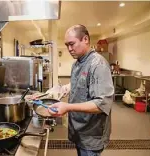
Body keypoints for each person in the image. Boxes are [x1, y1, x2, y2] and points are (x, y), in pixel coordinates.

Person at [48, 24, 114, 156]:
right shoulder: (77, 62)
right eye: (67, 45)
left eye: (72, 44)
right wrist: (63, 88)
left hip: (91, 135)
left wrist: (67, 107)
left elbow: (102, 104)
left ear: (85, 39)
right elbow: (79, 83)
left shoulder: (97, 64)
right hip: (79, 129)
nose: (69, 49)